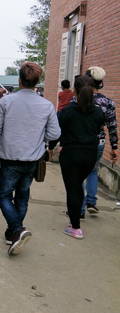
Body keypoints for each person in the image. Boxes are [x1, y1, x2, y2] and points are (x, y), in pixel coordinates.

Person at [0, 62, 60, 255]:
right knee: (22, 197)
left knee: (3, 197)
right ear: (38, 82)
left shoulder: (7, 102)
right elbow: (54, 133)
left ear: (19, 80)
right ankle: (13, 233)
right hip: (32, 159)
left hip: (10, 158)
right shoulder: (47, 105)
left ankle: (17, 229)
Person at [48, 75, 104, 239]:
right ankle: (75, 220)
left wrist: (50, 148)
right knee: (78, 186)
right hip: (90, 154)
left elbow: (56, 133)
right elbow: (97, 129)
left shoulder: (67, 111)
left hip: (71, 154)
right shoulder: (98, 112)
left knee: (73, 189)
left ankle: (76, 228)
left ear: (75, 91)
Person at [80, 66, 118, 215]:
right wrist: (114, 147)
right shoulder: (108, 102)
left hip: (80, 141)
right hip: (99, 142)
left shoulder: (77, 99)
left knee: (78, 173)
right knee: (92, 171)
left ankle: (80, 207)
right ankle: (91, 201)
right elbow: (112, 127)